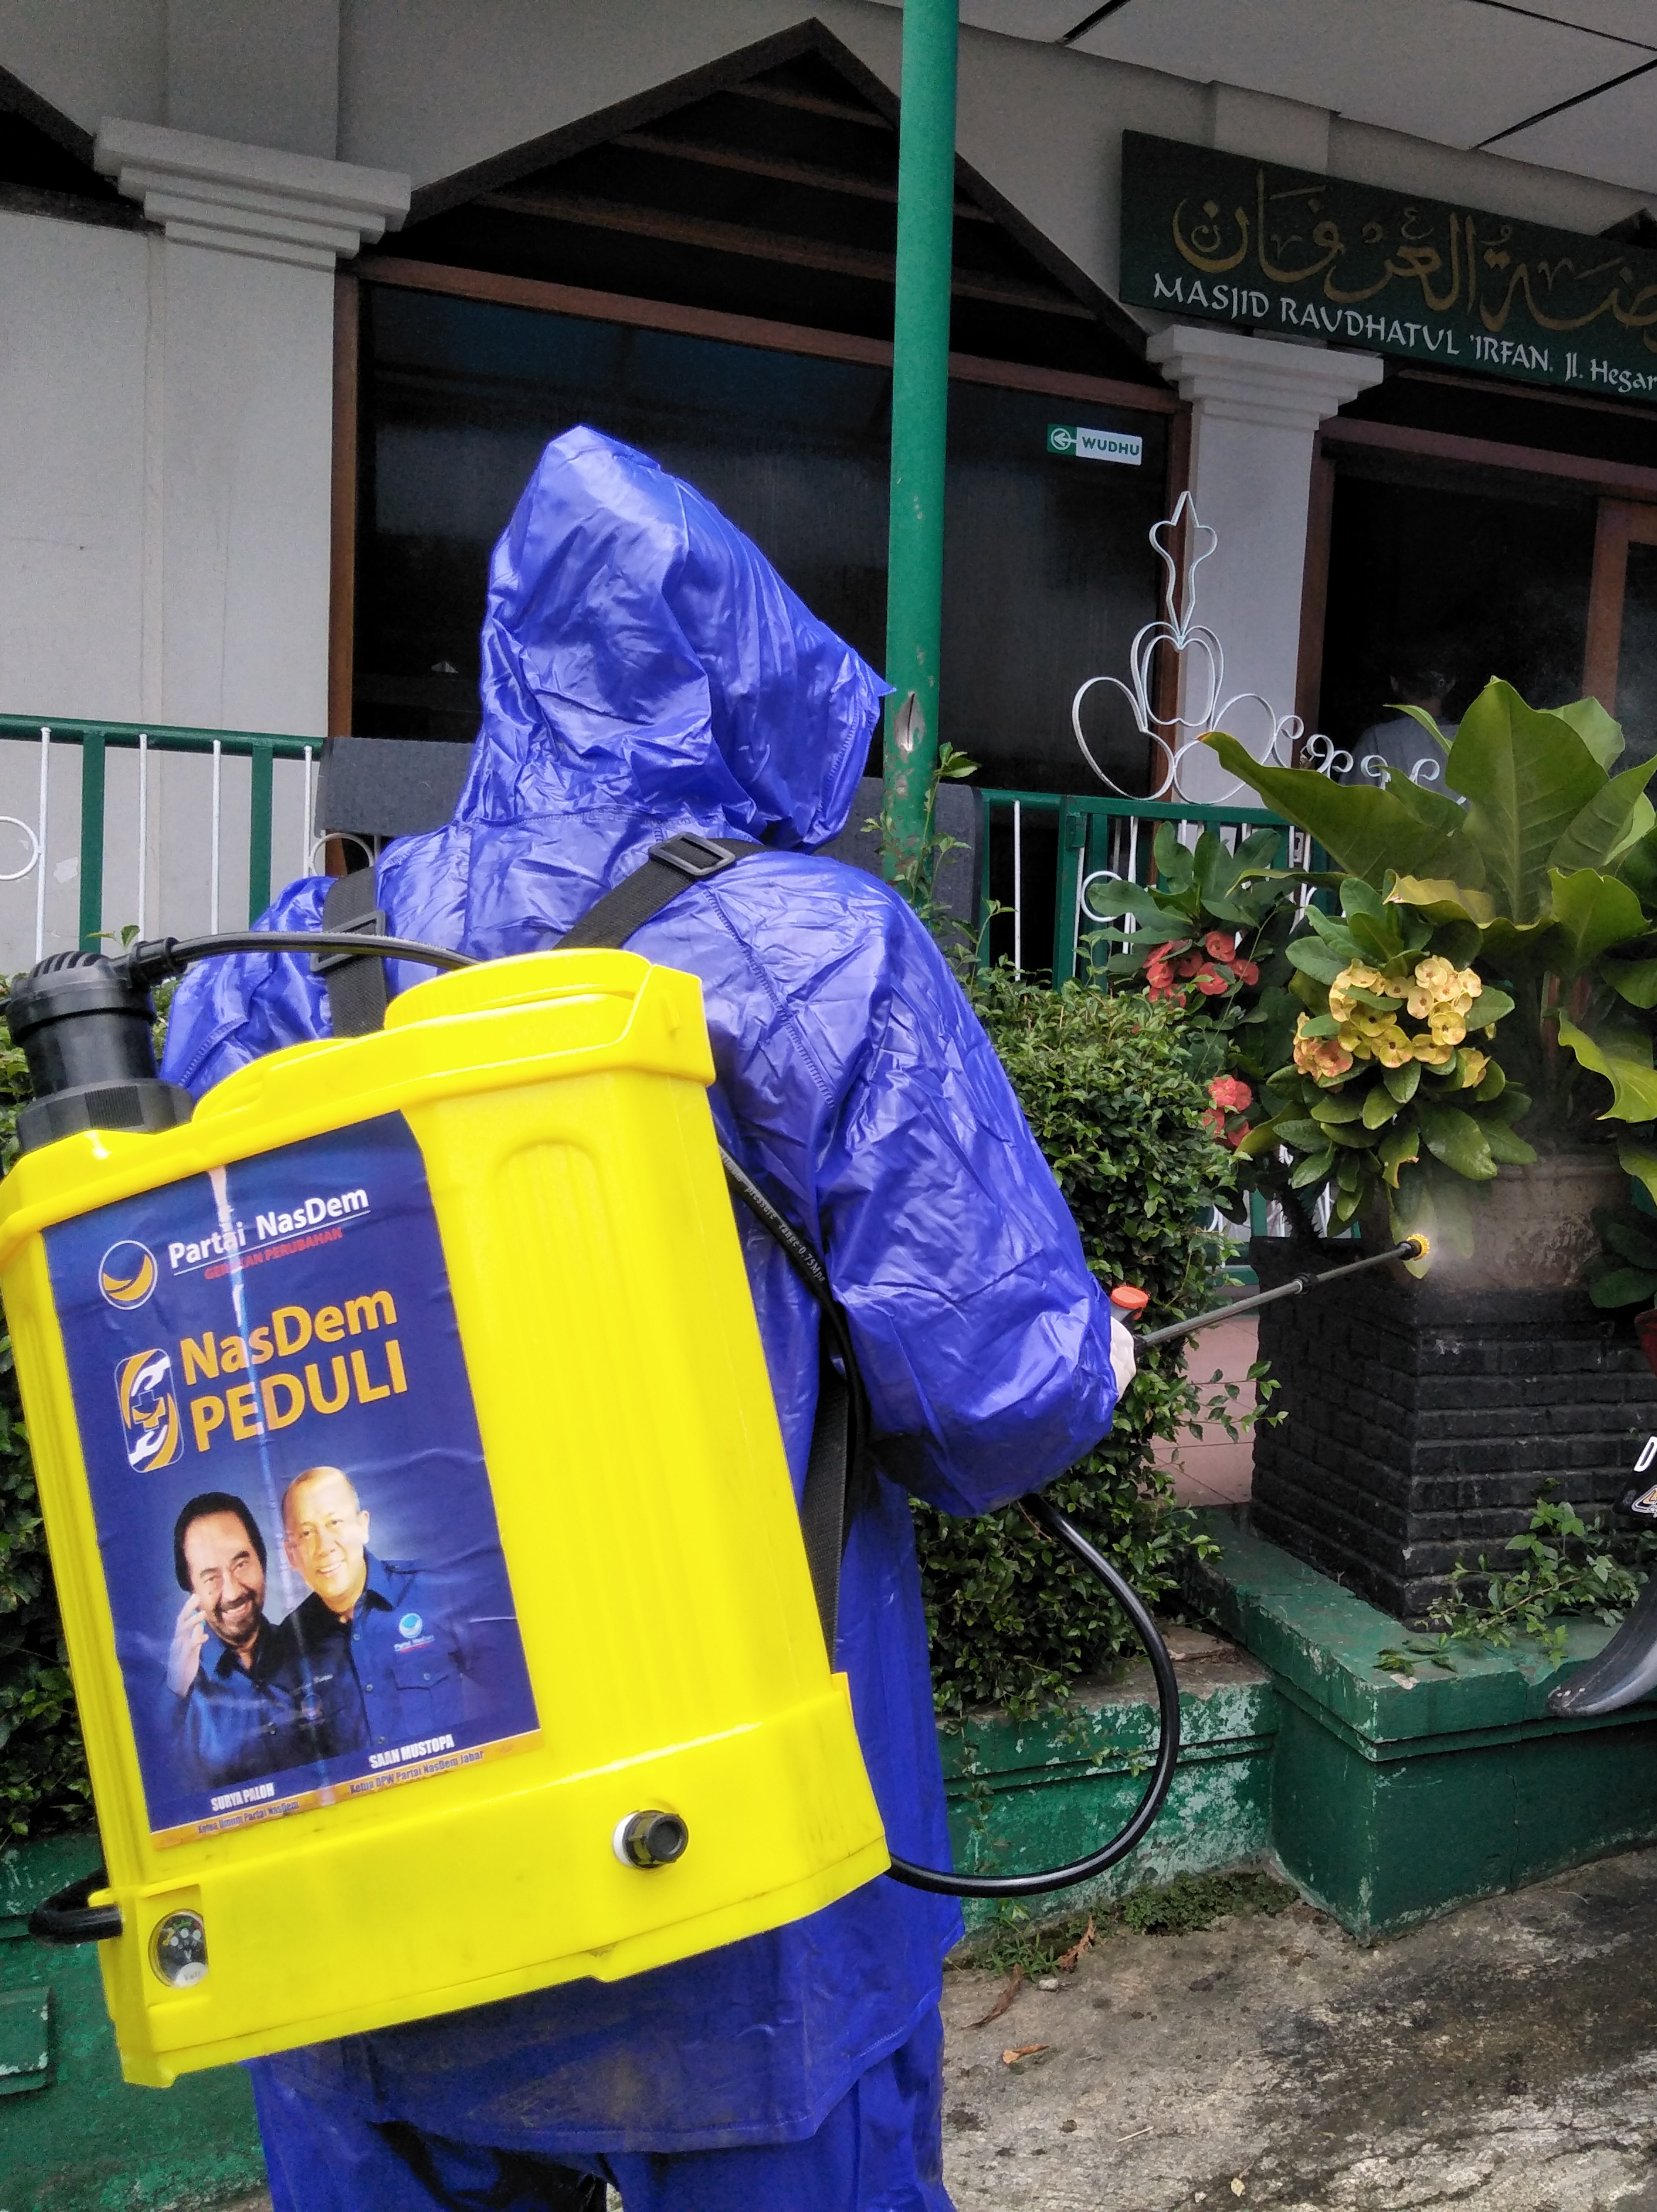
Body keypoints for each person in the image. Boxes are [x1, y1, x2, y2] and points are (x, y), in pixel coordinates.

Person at [157, 425, 1128, 2212]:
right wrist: (1102, 1355)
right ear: (748, 689)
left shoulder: (298, 950)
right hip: (739, 1870)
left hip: (378, 1850)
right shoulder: (821, 946)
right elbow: (996, 1396)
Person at [268, 1463, 518, 1757]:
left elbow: (520, 1691)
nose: (324, 1547)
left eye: (334, 1522)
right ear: (291, 1554)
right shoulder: (287, 1646)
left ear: (363, 1526)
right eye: (306, 1533)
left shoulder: (433, 1592)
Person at [164, 1492, 337, 1787]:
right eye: (210, 1578)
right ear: (191, 1588)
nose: (233, 1592)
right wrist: (173, 1697)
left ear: (262, 1560)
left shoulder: (316, 1649)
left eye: (241, 1564)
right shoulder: (178, 1696)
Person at [1345, 663, 1450, 788]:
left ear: (1394, 683)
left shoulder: (1377, 739)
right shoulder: (1467, 739)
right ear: (1450, 685)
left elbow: (1355, 797)